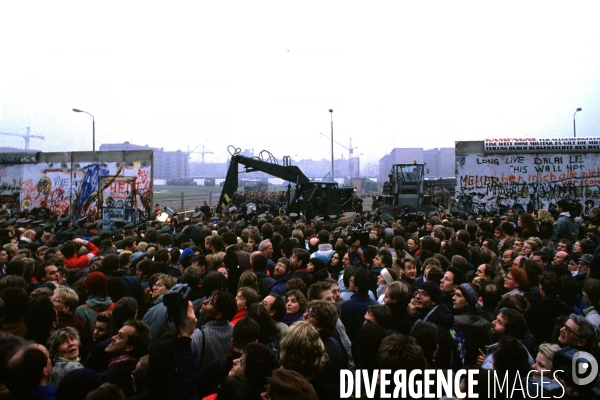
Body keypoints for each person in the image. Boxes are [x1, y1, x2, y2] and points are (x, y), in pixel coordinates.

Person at [100, 319, 150, 398]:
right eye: (117, 334)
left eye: (120, 336)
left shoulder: (110, 377)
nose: (113, 338)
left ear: (129, 347)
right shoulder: (133, 366)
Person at [191, 289, 237, 372]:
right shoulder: (235, 330)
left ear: (218, 314)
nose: (204, 301)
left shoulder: (198, 337)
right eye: (208, 298)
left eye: (210, 302)